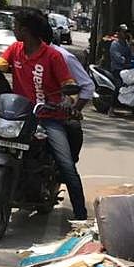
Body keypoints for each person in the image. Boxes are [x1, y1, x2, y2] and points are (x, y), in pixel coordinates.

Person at [0, 7, 87, 219]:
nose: (13, 30)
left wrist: (67, 101)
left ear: (25, 31)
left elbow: (69, 84)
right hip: (18, 116)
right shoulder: (15, 49)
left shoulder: (53, 56)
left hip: (49, 118)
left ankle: (81, 216)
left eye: (16, 26)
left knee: (66, 166)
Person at [40, 19, 93, 165]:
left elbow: (87, 85)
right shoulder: (20, 52)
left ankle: (65, 170)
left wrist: (74, 110)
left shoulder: (63, 57)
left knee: (72, 128)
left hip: (55, 112)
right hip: (27, 110)